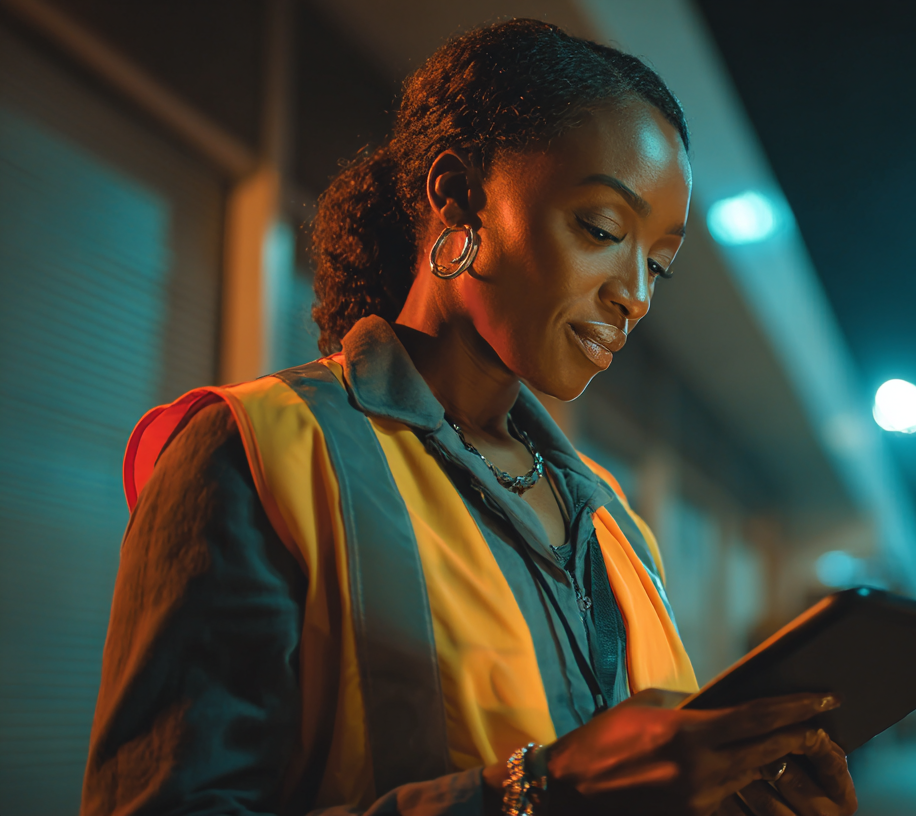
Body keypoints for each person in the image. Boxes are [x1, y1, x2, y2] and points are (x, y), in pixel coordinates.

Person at [81, 19, 856, 816]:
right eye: (601, 229)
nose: (635, 294)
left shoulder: (617, 523)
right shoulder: (256, 455)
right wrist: (535, 794)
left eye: (657, 262)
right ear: (457, 197)